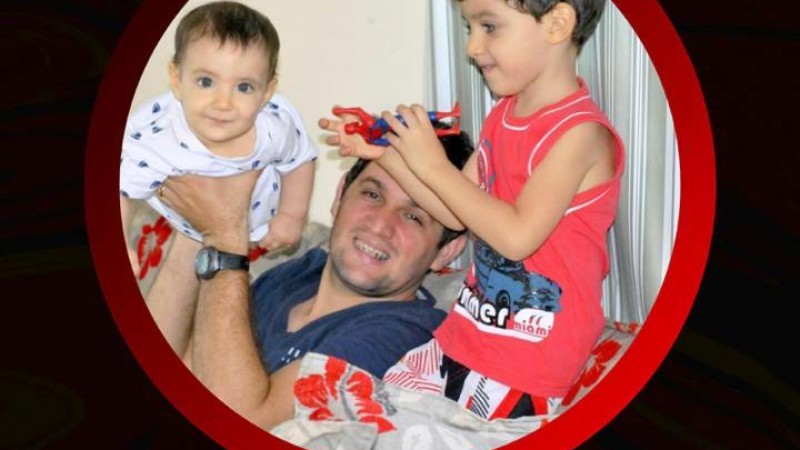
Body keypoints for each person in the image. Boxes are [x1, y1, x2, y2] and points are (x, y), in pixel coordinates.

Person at [321, 0, 624, 421]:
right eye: (469, 28)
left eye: (489, 26)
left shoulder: (580, 135)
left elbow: (516, 238)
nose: (472, 47)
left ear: (556, 24)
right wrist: (384, 155)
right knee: (360, 418)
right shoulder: (503, 113)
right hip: (461, 339)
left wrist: (432, 164)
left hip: (525, 365)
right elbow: (454, 212)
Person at [145, 130, 474, 430]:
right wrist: (196, 219)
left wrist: (224, 238)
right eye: (372, 195)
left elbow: (242, 425)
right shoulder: (297, 275)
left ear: (446, 251)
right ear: (340, 195)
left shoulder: (407, 337)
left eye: (413, 217)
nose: (380, 225)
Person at [120, 1, 317, 276]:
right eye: (206, 82)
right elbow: (121, 190)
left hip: (259, 219)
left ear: (267, 92)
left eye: (244, 87)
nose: (223, 103)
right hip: (190, 227)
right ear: (177, 80)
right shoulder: (159, 141)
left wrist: (291, 216)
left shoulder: (273, 128)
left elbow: (300, 160)